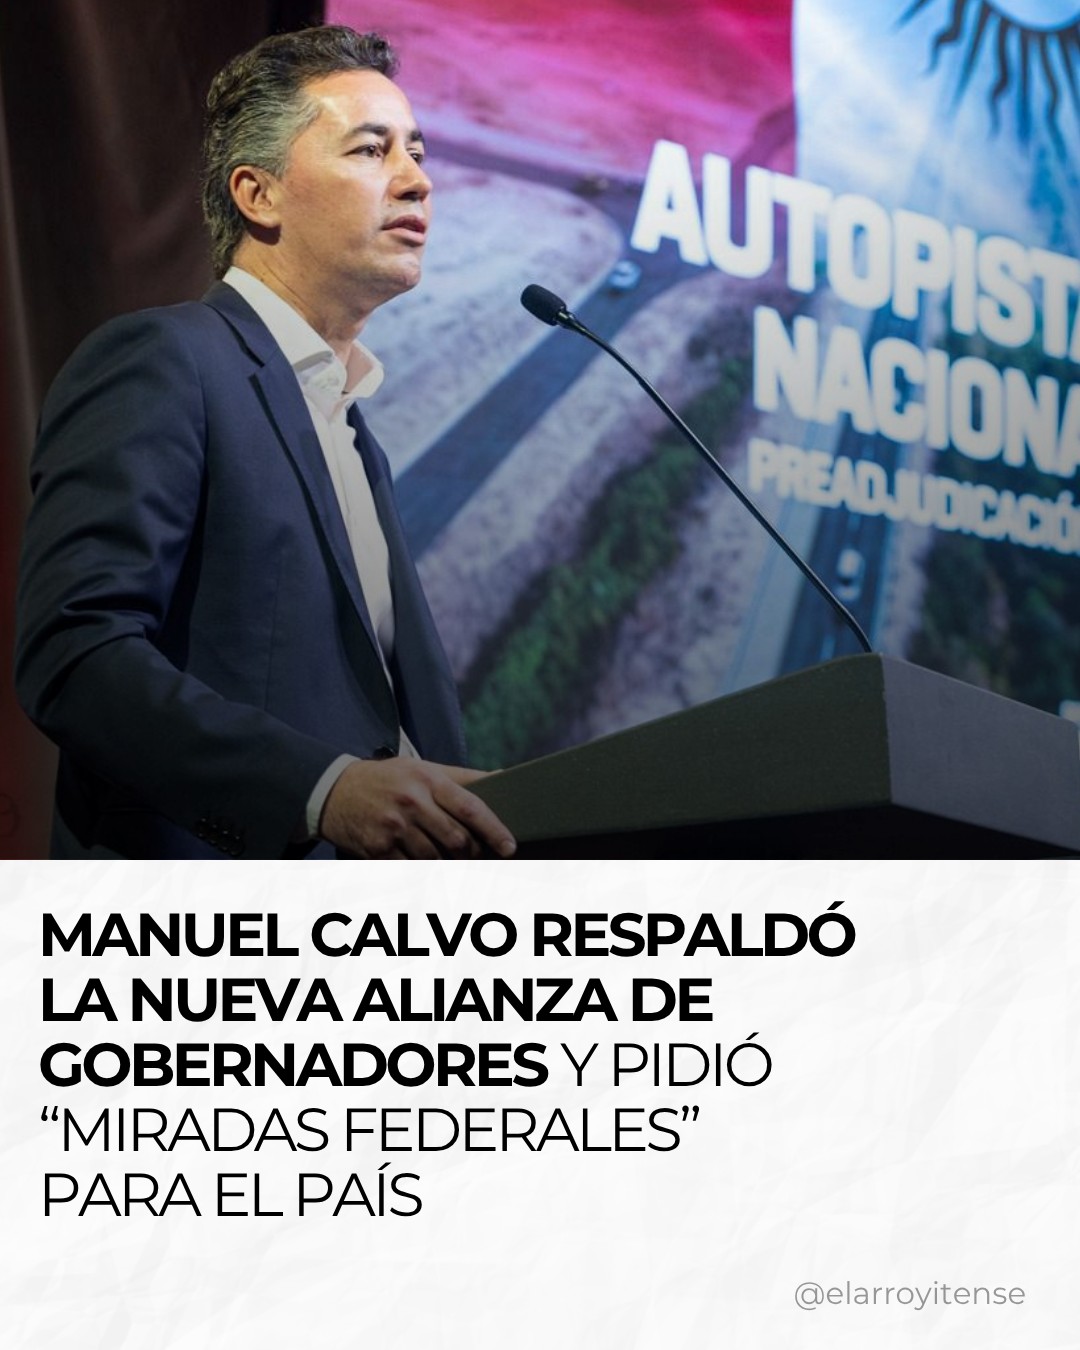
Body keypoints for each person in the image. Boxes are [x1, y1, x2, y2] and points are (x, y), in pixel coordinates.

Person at [15, 25, 516, 860]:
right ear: (259, 194)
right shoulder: (167, 360)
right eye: (371, 149)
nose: (417, 179)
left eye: (418, 152)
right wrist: (319, 791)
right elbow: (75, 653)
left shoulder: (349, 427)